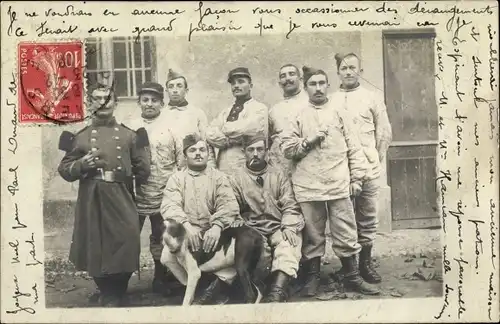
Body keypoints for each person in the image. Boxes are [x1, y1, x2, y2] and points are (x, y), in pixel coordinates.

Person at [281, 66, 380, 296]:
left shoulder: (340, 112)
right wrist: (308, 141)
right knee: (313, 234)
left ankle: (352, 276)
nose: (317, 88)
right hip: (308, 183)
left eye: (321, 83)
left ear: (328, 85)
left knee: (345, 230)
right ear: (305, 87)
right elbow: (286, 148)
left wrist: (357, 178)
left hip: (338, 182)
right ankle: (313, 277)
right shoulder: (297, 115)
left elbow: (355, 148)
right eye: (312, 84)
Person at [57, 84, 151, 307]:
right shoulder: (80, 136)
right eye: (97, 98)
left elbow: (144, 170)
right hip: (93, 196)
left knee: (127, 239)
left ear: (115, 104)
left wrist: (129, 174)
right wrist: (81, 164)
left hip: (121, 194)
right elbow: (64, 169)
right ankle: (108, 291)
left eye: (107, 99)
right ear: (90, 103)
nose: (102, 103)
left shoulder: (130, 135)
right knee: (95, 242)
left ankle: (118, 289)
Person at [329, 53, 392, 284]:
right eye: (343, 68)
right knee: (343, 218)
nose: (348, 72)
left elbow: (384, 132)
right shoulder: (331, 99)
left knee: (367, 216)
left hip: (368, 167)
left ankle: (365, 264)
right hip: (340, 170)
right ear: (338, 72)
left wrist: (374, 159)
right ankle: (349, 268)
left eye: (352, 68)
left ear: (360, 71)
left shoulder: (372, 97)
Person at [160, 134, 240, 305]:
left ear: (208, 154)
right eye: (192, 150)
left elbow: (229, 205)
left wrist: (217, 226)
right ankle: (200, 288)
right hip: (187, 231)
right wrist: (187, 226)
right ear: (185, 155)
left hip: (214, 231)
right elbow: (169, 206)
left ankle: (220, 287)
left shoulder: (218, 177)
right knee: (166, 257)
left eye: (202, 150)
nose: (198, 154)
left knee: (230, 257)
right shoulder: (176, 179)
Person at [229, 134, 305, 303]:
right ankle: (258, 287)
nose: (255, 154)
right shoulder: (235, 178)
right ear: (244, 152)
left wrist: (288, 227)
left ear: (267, 152)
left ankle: (277, 293)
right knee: (256, 254)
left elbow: (290, 204)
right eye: (251, 150)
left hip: (278, 226)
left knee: (290, 244)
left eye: (260, 149)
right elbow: (231, 208)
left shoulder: (279, 174)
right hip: (252, 229)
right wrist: (241, 225)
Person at [128, 81, 183, 295]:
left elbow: (180, 161)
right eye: (145, 100)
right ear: (139, 102)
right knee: (129, 235)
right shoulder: (130, 126)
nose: (149, 104)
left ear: (161, 103)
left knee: (162, 236)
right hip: (137, 191)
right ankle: (120, 279)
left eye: (154, 100)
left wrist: (176, 190)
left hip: (165, 191)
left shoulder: (172, 126)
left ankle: (160, 277)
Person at [206, 67, 269, 177]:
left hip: (248, 168)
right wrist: (231, 140)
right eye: (233, 83)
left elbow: (249, 130)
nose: (236, 86)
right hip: (224, 168)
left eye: (241, 82)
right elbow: (209, 134)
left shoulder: (259, 108)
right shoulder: (225, 111)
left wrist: (224, 129)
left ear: (250, 85)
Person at [163, 69, 216, 168]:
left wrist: (211, 170)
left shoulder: (197, 113)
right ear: (166, 91)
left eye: (179, 86)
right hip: (168, 170)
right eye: (171, 86)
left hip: (191, 168)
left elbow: (207, 144)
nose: (175, 90)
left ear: (186, 90)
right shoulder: (161, 114)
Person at [268, 64, 308, 175]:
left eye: (292, 74)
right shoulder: (274, 110)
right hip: (280, 169)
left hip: (305, 167)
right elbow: (269, 140)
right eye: (283, 76)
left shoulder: (310, 103)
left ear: (300, 79)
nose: (287, 79)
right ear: (279, 83)